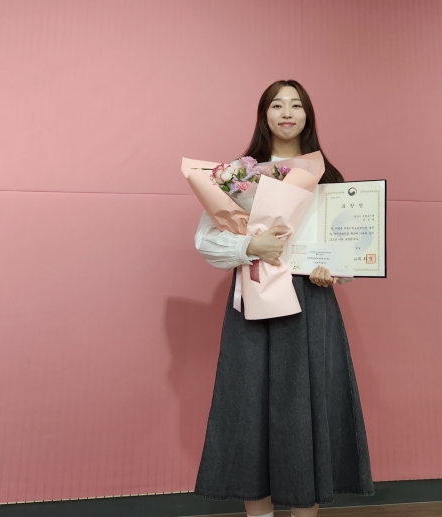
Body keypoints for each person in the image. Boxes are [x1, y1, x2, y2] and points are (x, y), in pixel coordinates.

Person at [193, 80, 374, 517]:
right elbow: (206, 241)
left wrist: (334, 271)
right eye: (277, 105)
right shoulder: (237, 177)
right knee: (250, 408)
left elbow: (347, 249)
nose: (287, 112)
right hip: (253, 300)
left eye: (296, 105)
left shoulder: (327, 177)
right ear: (264, 115)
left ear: (308, 115)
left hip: (311, 303)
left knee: (305, 412)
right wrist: (250, 246)